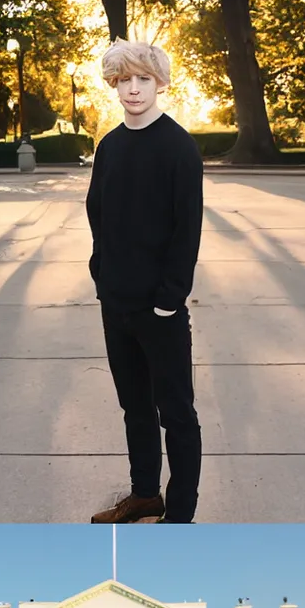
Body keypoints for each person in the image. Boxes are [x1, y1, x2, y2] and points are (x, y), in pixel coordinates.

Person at [86, 39, 205, 523]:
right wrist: (103, 279)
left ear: (159, 83)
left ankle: (180, 515)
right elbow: (99, 217)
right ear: (114, 83)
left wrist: (168, 300)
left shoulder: (179, 148)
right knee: (134, 408)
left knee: (176, 414)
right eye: (124, 80)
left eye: (144, 79)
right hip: (116, 306)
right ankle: (144, 495)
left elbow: (186, 230)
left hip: (161, 311)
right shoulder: (109, 147)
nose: (133, 89)